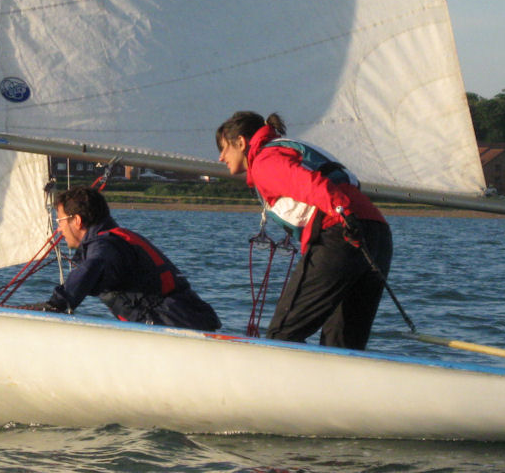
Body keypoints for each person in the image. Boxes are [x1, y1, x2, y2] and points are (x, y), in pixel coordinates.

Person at [216, 111, 392, 349]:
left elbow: (310, 184)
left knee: (283, 334)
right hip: (377, 232)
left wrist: (343, 212)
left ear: (241, 142)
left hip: (343, 231)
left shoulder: (265, 161)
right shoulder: (284, 149)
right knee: (343, 343)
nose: (220, 157)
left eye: (223, 148)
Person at [29, 186, 221, 332]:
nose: (59, 229)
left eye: (60, 221)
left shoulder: (105, 245)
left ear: (77, 221)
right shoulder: (114, 238)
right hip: (185, 319)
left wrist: (57, 304)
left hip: (176, 324)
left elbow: (92, 267)